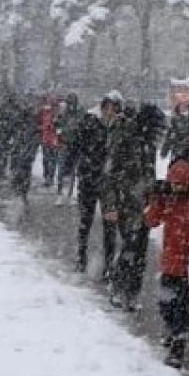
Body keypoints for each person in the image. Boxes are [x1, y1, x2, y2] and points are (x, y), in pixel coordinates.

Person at [142, 148, 189, 368]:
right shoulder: (167, 199)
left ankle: (179, 345)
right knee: (166, 303)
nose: (176, 188)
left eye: (180, 184)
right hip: (170, 261)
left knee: (184, 309)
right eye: (173, 184)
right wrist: (155, 198)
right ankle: (171, 330)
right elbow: (151, 220)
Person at [102, 93, 153, 310]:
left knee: (140, 251)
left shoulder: (146, 143)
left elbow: (149, 172)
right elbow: (110, 174)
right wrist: (110, 205)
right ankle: (118, 287)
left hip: (143, 202)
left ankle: (132, 293)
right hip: (126, 201)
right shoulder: (122, 135)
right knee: (130, 247)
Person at [72, 107, 109, 274]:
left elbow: (74, 149)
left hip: (98, 180)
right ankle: (86, 257)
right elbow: (75, 148)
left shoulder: (111, 129)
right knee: (89, 221)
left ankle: (87, 257)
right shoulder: (93, 126)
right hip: (94, 179)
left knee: (92, 222)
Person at [54, 94, 84, 205]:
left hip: (76, 145)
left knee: (74, 172)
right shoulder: (63, 113)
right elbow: (57, 126)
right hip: (65, 144)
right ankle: (60, 194)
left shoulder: (80, 113)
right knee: (62, 171)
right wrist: (60, 135)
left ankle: (71, 195)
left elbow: (83, 126)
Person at [38, 96, 62, 188]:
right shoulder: (44, 113)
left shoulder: (58, 115)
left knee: (52, 160)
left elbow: (59, 127)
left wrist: (58, 133)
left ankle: (50, 178)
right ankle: (47, 176)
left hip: (54, 140)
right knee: (46, 160)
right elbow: (39, 123)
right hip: (46, 139)